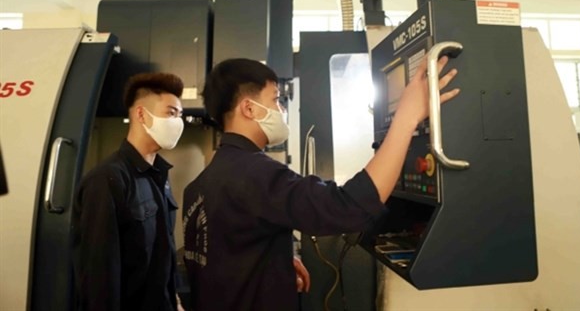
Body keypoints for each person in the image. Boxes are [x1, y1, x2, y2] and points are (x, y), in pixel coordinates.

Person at [182, 57, 459, 310]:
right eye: (276, 99)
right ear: (249, 108)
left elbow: (225, 255)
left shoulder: (199, 185)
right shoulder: (255, 173)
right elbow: (347, 208)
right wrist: (407, 118)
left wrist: (275, 262)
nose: (280, 109)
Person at [72, 72, 186, 311]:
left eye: (180, 115)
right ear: (142, 114)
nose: (178, 122)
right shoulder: (106, 180)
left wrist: (174, 299)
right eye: (171, 113)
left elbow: (162, 254)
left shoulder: (159, 175)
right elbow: (99, 277)